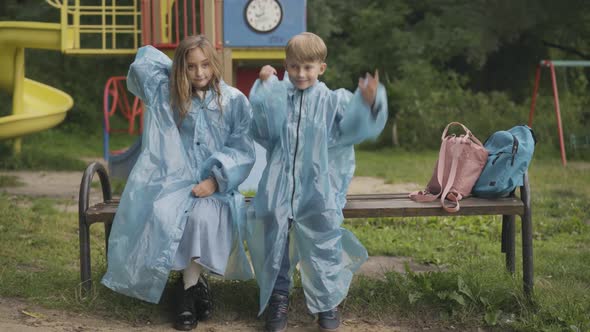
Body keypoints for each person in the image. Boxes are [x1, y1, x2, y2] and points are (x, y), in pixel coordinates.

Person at [101, 35, 255, 331]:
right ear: (180, 69)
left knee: (200, 216)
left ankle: (184, 294)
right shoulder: (169, 95)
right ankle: (195, 287)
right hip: (172, 183)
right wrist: (175, 70)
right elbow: (143, 63)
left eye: (205, 65)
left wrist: (214, 180)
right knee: (163, 215)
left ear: (215, 64)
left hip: (216, 187)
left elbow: (242, 149)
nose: (199, 73)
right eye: (191, 66)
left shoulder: (233, 100)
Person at [246, 32, 388, 332]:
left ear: (321, 68)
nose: (300, 74)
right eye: (294, 67)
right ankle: (278, 296)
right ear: (287, 65)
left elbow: (355, 126)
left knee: (324, 240)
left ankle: (326, 302)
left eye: (308, 67)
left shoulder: (332, 100)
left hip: (319, 187)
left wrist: (368, 102)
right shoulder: (277, 97)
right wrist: (263, 85)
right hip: (279, 185)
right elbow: (260, 125)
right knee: (275, 239)